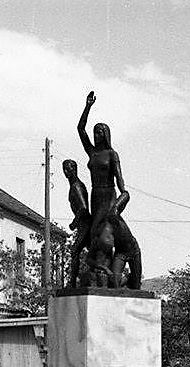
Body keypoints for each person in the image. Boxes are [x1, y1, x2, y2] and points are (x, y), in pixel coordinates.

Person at [77, 91, 142, 289]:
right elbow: (80, 129)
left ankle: (118, 276)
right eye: (94, 132)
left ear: (105, 135)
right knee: (92, 236)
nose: (96, 136)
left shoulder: (112, 154)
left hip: (109, 196)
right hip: (95, 197)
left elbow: (125, 190)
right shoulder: (92, 152)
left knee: (106, 235)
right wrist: (87, 106)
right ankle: (98, 272)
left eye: (99, 133)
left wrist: (116, 206)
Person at [62, 159, 93, 288]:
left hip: (85, 225)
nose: (65, 172)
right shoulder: (74, 185)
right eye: (64, 169)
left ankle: (72, 283)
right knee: (93, 251)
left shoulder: (76, 186)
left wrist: (74, 223)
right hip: (83, 226)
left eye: (68, 169)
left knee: (75, 251)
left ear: (74, 170)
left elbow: (84, 208)